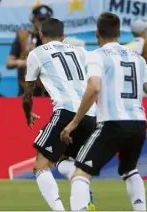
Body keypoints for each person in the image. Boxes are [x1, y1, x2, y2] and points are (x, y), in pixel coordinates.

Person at [61, 12, 147, 211]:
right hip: (138, 124)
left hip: (111, 123)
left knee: (81, 172)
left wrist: (73, 123)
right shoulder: (138, 58)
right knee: (130, 170)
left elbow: (94, 88)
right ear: (118, 34)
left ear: (98, 34)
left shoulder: (96, 56)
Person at [22, 18, 96, 211]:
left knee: (41, 165)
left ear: (40, 36)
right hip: (91, 113)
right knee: (64, 160)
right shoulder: (80, 52)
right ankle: (84, 198)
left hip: (66, 111)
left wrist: (28, 113)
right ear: (63, 37)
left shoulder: (36, 53)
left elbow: (27, 95)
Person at [6, 4, 53, 96]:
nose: (43, 23)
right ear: (33, 19)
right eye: (40, 20)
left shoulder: (55, 39)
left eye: (46, 20)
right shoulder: (22, 37)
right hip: (26, 93)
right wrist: (23, 63)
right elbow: (9, 63)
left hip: (49, 94)